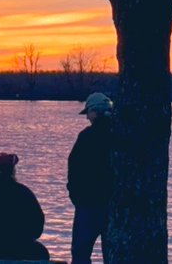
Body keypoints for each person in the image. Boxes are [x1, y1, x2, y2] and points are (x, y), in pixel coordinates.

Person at [0, 152, 49, 260]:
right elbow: (37, 225)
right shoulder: (23, 193)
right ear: (12, 172)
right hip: (19, 249)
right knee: (42, 253)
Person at [67, 92, 113, 264]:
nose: (87, 117)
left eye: (88, 113)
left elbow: (74, 166)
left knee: (80, 253)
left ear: (96, 111)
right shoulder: (121, 134)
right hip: (112, 205)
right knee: (112, 253)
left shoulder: (86, 136)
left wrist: (75, 195)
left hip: (88, 204)